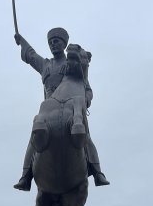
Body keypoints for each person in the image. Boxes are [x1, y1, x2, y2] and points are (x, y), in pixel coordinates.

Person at [12, 28, 109, 190]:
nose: (53, 44)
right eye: (50, 42)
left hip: (72, 105)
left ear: (64, 44)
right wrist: (21, 40)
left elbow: (86, 86)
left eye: (56, 41)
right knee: (33, 136)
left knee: (86, 136)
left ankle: (97, 172)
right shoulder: (46, 65)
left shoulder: (72, 61)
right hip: (49, 108)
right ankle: (26, 176)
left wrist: (86, 99)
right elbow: (30, 54)